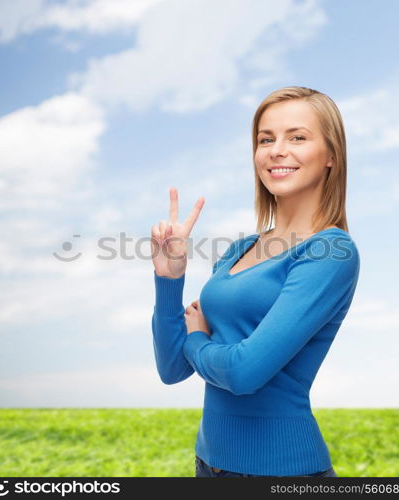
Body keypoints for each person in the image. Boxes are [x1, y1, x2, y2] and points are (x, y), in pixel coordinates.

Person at [150, 86, 360, 477]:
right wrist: (169, 278)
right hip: (208, 463)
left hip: (282, 472)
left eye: (297, 136)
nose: (277, 150)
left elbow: (243, 374)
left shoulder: (330, 252)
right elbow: (172, 369)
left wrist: (197, 338)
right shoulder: (241, 249)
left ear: (331, 155)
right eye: (266, 139)